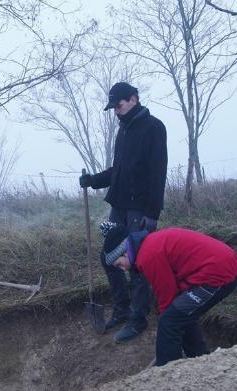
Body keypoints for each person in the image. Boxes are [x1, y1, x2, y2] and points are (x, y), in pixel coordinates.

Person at [79, 81, 168, 343]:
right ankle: (122, 309)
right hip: (119, 207)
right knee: (109, 257)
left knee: (137, 264)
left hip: (140, 209)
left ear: (133, 99)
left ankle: (138, 319)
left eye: (118, 105)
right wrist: (93, 180)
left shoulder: (154, 127)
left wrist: (152, 213)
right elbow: (118, 171)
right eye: (113, 108)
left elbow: (158, 172)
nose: (116, 111)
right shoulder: (124, 131)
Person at [102, 224, 237, 366]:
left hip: (219, 273)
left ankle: (167, 372)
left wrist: (165, 344)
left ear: (125, 253)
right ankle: (199, 358)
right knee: (180, 314)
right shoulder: (148, 245)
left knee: (169, 321)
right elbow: (173, 296)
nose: (123, 269)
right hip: (220, 265)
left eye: (119, 264)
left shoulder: (148, 256)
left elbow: (167, 297)